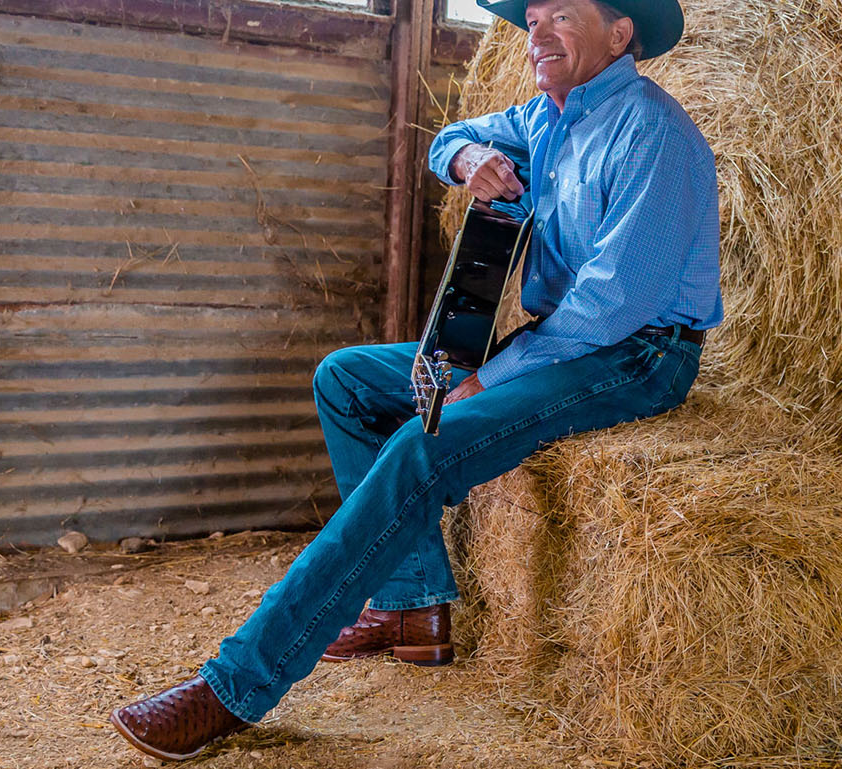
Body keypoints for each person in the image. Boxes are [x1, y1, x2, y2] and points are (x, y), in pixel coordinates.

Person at [107, 0, 720, 759]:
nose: (537, 31)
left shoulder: (652, 132)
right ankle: (414, 605)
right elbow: (453, 140)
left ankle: (236, 684)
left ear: (620, 34)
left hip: (636, 354)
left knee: (419, 445)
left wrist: (490, 378)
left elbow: (611, 305)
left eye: (563, 13)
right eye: (532, 16)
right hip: (556, 340)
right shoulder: (544, 118)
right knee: (347, 380)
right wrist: (470, 163)